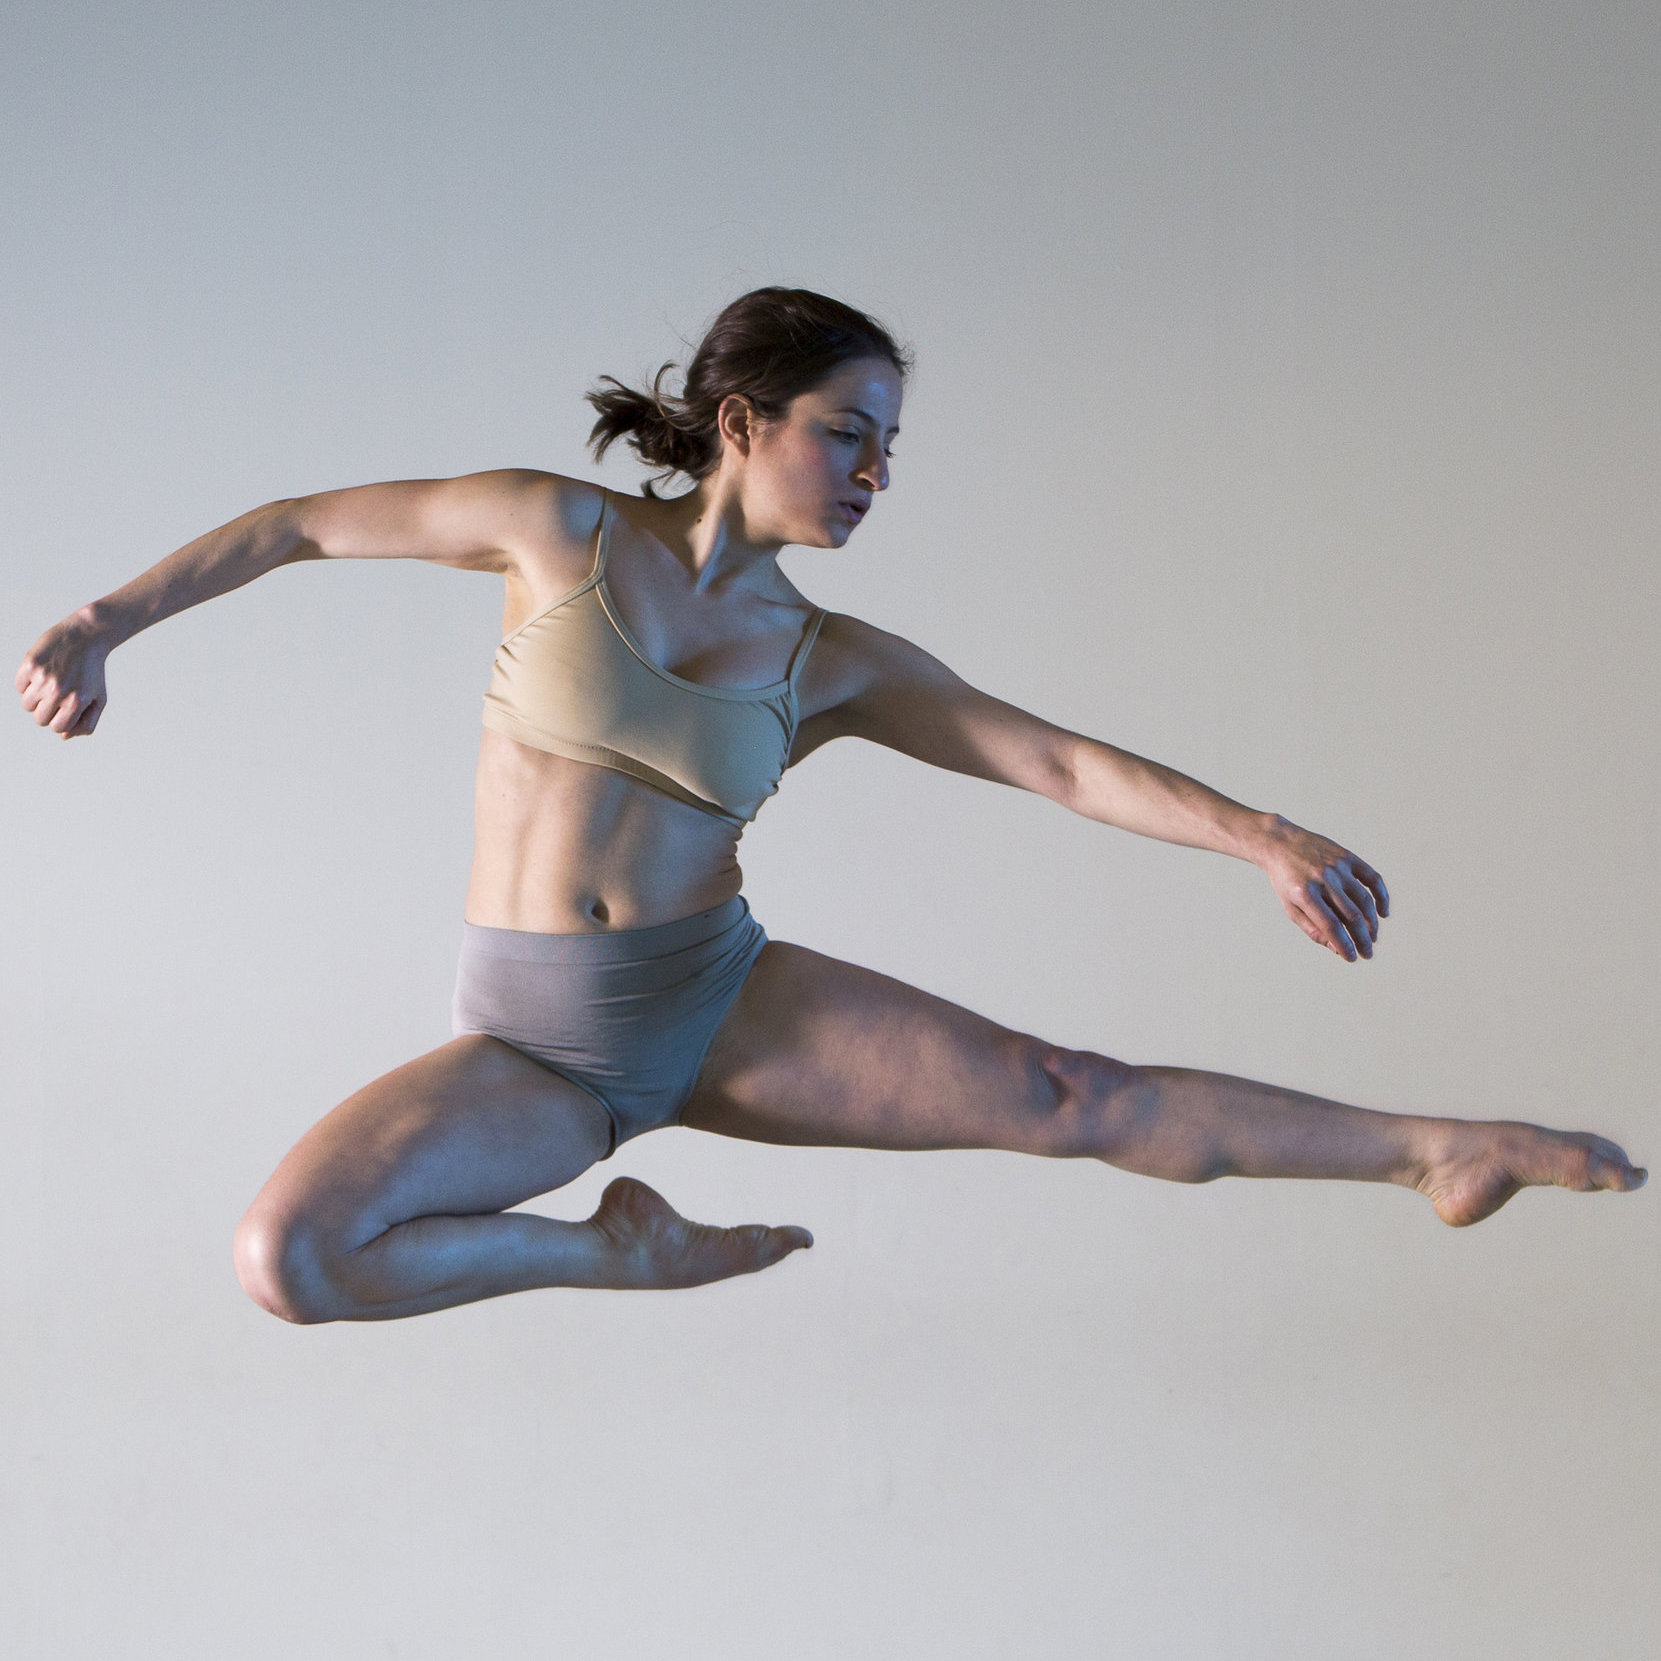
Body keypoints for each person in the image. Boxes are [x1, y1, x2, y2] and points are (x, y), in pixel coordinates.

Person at [15, 287, 1645, 1323]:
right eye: (847, 436)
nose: (873, 473)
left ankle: (1434, 1148)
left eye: (887, 450)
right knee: (292, 1259)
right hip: (535, 1046)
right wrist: (105, 619)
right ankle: (617, 1252)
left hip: (718, 1001)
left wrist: (1265, 835)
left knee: (1067, 1093)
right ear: (742, 426)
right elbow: (300, 523)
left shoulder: (829, 658)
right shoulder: (552, 531)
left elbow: (1059, 762)